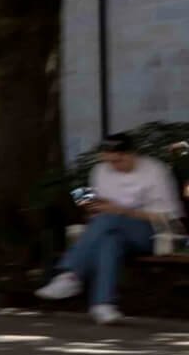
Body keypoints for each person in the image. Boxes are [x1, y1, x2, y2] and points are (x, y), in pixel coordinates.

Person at [36, 132, 187, 323]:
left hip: (154, 233)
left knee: (109, 219)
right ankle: (103, 305)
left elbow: (167, 217)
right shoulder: (100, 171)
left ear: (132, 154)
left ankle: (70, 275)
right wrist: (92, 207)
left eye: (118, 160)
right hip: (112, 228)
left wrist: (121, 211)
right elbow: (99, 205)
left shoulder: (155, 171)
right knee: (110, 241)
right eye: (109, 161)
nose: (113, 166)